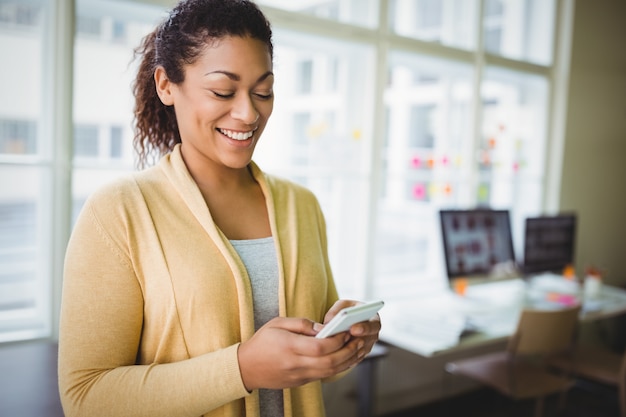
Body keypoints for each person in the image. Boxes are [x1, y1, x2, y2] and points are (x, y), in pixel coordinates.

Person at [57, 1, 381, 416]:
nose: (249, 113)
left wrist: (345, 342)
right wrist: (243, 368)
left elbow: (316, 367)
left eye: (263, 91)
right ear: (166, 85)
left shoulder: (303, 206)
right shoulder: (119, 212)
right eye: (222, 91)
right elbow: (86, 398)